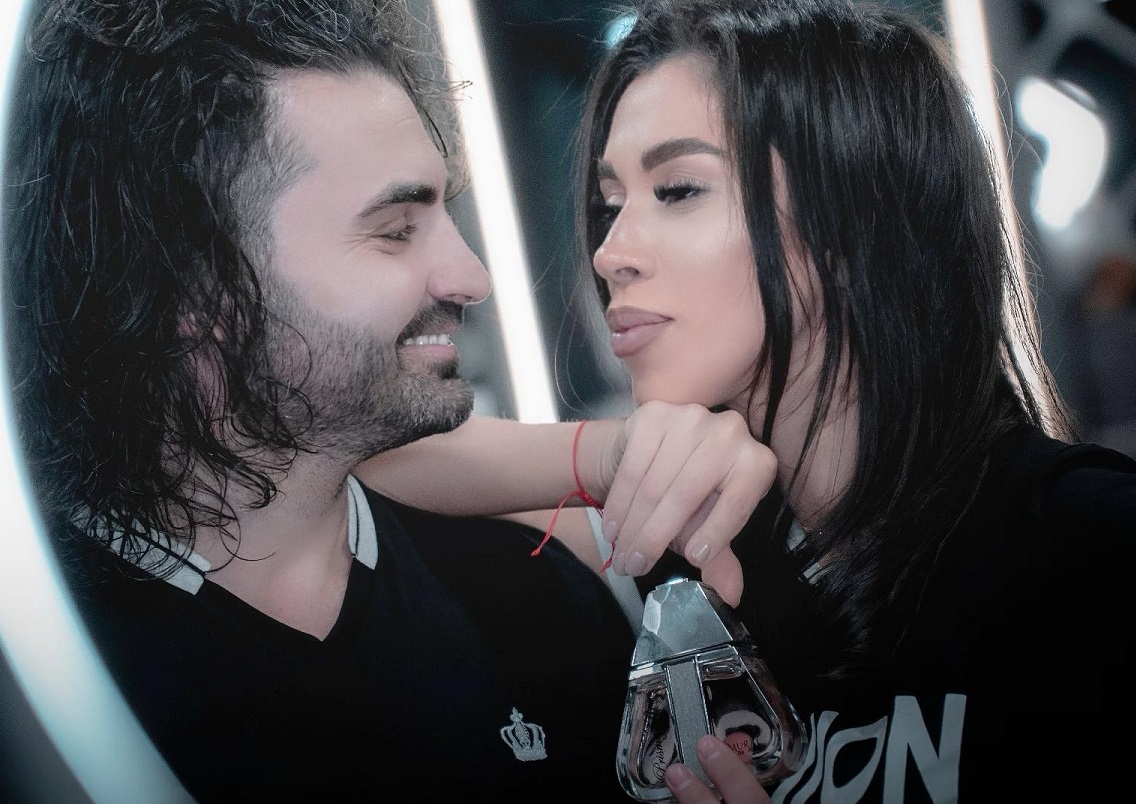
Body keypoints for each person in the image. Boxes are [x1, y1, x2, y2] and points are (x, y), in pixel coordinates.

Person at [357, 0, 1136, 800]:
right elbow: (364, 445)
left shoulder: (1091, 551)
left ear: (852, 221)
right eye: (609, 204)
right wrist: (607, 454)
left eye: (678, 190)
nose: (611, 252)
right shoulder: (697, 536)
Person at [0, 0, 779, 800]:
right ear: (193, 286)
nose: (471, 277)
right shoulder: (52, 675)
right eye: (395, 230)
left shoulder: (537, 607)